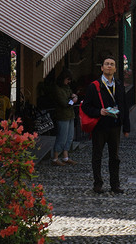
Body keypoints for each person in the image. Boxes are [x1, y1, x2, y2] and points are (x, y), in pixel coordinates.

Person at [81, 55, 130, 194]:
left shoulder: (119, 85)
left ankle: (115, 184)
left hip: (115, 126)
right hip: (100, 127)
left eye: (112, 64)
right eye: (107, 64)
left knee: (114, 157)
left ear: (115, 68)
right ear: (102, 68)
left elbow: (124, 106)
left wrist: (126, 127)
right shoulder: (94, 86)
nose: (109, 66)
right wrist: (98, 112)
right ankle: (98, 184)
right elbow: (85, 107)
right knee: (97, 156)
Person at [49, 69, 77, 166]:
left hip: (70, 114)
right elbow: (64, 103)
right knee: (62, 137)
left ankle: (65, 156)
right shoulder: (57, 89)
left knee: (69, 136)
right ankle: (55, 158)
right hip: (62, 115)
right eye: (67, 79)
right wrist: (73, 100)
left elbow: (70, 97)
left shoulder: (66, 87)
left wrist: (73, 98)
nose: (69, 81)